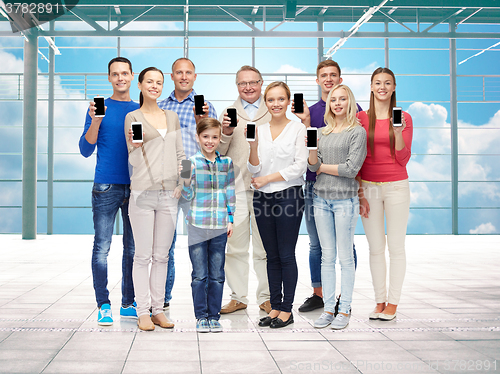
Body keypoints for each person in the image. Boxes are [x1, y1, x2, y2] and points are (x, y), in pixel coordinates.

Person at [296, 59, 362, 314]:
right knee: (317, 245)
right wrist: (304, 122)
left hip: (343, 189)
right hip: (314, 187)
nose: (328, 79)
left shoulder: (355, 113)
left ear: (340, 80)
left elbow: (355, 160)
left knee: (346, 246)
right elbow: (309, 150)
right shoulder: (310, 112)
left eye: (333, 75)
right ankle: (320, 294)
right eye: (323, 75)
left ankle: (344, 297)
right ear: (317, 80)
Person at [79, 57, 139, 326]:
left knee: (132, 248)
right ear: (109, 78)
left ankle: (129, 302)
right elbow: (85, 149)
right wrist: (95, 121)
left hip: (137, 185)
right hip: (105, 186)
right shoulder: (97, 109)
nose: (120, 78)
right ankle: (103, 304)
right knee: (102, 247)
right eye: (115, 74)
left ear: (131, 75)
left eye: (124, 73)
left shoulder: (140, 110)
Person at [125, 67, 185, 331]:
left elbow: (181, 154)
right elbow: (134, 160)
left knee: (162, 256)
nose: (155, 86)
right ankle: (142, 312)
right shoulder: (133, 117)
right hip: (142, 194)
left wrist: (182, 183)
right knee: (142, 256)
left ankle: (158, 310)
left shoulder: (171, 117)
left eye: (159, 82)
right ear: (140, 85)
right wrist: (137, 148)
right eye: (149, 81)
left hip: (168, 195)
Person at [158, 58, 217, 310]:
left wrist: (197, 120)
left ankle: (204, 299)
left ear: (195, 76)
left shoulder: (206, 107)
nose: (183, 76)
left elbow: (213, 143)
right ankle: (163, 299)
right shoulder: (160, 107)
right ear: (171, 76)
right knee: (165, 245)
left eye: (188, 72)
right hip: (169, 182)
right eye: (179, 72)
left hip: (199, 184)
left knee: (201, 245)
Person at [249, 81, 308, 329]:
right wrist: (252, 147)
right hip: (262, 197)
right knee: (269, 255)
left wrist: (267, 179)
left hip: (288, 196)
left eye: (280, 99)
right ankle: (274, 306)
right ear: (265, 102)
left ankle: (287, 310)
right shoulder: (258, 130)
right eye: (271, 99)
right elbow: (254, 168)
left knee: (285, 254)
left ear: (288, 101)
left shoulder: (299, 129)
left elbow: (299, 167)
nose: (276, 104)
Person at [308, 84, 367, 330]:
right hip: (320, 199)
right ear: (329, 104)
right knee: (327, 257)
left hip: (345, 200)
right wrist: (312, 151)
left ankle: (344, 310)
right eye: (334, 100)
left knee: (345, 258)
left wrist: (322, 166)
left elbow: (350, 169)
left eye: (343, 99)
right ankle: (329, 308)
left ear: (349, 102)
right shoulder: (321, 132)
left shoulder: (357, 132)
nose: (338, 103)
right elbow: (312, 167)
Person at [356, 67, 413, 321]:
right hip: (367, 187)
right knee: (375, 248)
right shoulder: (359, 118)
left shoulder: (405, 118)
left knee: (396, 247)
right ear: (370, 86)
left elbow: (403, 159)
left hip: (396, 186)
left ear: (394, 88)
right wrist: (360, 191)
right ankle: (379, 301)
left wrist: (397, 133)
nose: (382, 87)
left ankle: (393, 302)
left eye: (387, 83)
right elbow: (356, 158)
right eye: (377, 83)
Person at [217, 66, 271, 314]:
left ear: (261, 83)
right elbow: (218, 153)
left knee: (265, 247)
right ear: (236, 86)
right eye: (242, 83)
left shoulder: (272, 109)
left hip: (266, 189)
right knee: (235, 247)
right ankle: (238, 296)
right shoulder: (227, 114)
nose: (248, 87)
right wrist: (226, 132)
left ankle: (267, 297)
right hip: (236, 189)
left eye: (253, 82)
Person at [181, 118, 236, 333]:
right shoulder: (188, 163)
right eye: (205, 136)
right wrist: (185, 180)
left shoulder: (227, 164)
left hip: (220, 226)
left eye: (214, 137)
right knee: (199, 274)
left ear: (220, 138)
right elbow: (185, 196)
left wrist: (230, 219)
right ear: (198, 138)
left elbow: (229, 193)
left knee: (217, 274)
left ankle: (214, 316)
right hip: (197, 225)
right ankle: (201, 316)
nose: (210, 141)